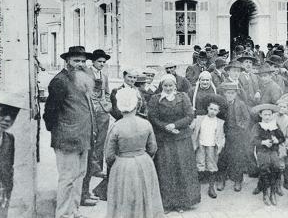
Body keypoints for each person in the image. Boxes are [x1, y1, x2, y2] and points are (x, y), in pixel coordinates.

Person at [43, 46, 96, 218]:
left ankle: (74, 211)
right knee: (67, 178)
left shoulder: (82, 79)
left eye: (83, 61)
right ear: (67, 62)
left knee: (79, 176)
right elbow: (50, 112)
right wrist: (61, 132)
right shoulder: (60, 81)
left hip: (83, 137)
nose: (80, 64)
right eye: (76, 61)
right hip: (67, 139)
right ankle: (63, 214)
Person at [105, 87, 163, 218]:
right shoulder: (146, 124)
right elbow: (153, 148)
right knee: (145, 195)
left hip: (123, 165)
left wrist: (116, 164)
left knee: (124, 198)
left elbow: (109, 155)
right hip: (144, 162)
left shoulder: (116, 126)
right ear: (137, 104)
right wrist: (145, 157)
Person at [148, 74, 200, 213]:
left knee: (182, 169)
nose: (168, 88)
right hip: (164, 139)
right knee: (166, 171)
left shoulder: (182, 97)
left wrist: (175, 125)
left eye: (171, 85)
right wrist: (165, 126)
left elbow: (189, 116)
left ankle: (182, 203)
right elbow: (152, 117)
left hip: (181, 138)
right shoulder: (155, 99)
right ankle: (167, 203)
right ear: (162, 86)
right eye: (166, 85)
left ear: (175, 86)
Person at [81, 49, 111, 206]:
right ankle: (90, 167)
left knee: (101, 140)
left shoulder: (104, 76)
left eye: (104, 61)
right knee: (91, 140)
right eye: (99, 61)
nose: (102, 64)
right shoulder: (86, 74)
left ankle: (97, 167)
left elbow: (106, 93)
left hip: (103, 113)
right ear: (93, 61)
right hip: (90, 110)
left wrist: (108, 105)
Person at [216, 82, 251, 192]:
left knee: (238, 157)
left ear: (236, 94)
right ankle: (221, 179)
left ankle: (238, 180)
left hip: (237, 134)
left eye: (232, 93)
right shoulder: (222, 104)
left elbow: (247, 119)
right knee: (222, 157)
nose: (230, 95)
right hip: (224, 134)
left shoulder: (241, 104)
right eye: (228, 93)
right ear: (224, 94)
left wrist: (241, 128)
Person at [190, 95, 226, 199]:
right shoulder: (200, 119)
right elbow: (192, 128)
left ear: (218, 111)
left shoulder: (220, 122)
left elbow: (221, 135)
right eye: (211, 109)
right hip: (200, 144)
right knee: (199, 163)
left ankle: (211, 187)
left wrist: (221, 144)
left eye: (215, 110)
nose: (212, 111)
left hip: (212, 146)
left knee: (212, 165)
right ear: (207, 108)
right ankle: (196, 187)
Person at [251, 104, 285, 206]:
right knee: (264, 168)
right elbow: (253, 140)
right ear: (261, 115)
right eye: (265, 115)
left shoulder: (275, 125)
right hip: (262, 151)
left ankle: (272, 193)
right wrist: (263, 142)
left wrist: (277, 140)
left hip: (273, 150)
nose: (267, 117)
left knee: (276, 167)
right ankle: (265, 193)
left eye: (269, 115)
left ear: (272, 115)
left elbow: (282, 138)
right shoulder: (257, 126)